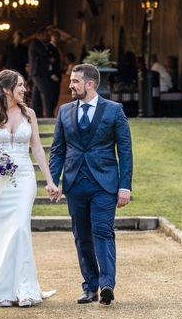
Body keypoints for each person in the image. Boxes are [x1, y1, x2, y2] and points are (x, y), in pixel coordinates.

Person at [0, 69, 59, 307]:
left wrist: (50, 181)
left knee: (20, 228)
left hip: (23, 177)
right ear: (7, 89)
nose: (24, 89)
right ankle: (3, 291)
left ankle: (24, 289)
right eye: (20, 85)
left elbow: (38, 149)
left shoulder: (29, 114)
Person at [49, 63, 133, 306]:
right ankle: (90, 286)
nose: (70, 85)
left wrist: (124, 186)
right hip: (75, 184)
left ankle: (107, 284)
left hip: (104, 184)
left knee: (103, 232)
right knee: (82, 236)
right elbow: (58, 150)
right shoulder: (64, 111)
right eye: (71, 81)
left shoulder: (114, 110)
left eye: (75, 81)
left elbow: (125, 151)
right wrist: (54, 181)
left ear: (90, 84)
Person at [28, 28, 53, 117]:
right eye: (45, 34)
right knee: (46, 93)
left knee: (36, 95)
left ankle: (34, 115)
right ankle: (49, 115)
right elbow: (44, 53)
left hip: (38, 72)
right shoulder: (35, 43)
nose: (47, 36)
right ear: (39, 35)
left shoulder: (39, 44)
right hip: (37, 72)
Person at [47, 30, 63, 116]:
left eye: (58, 36)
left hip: (58, 75)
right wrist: (52, 74)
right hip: (52, 76)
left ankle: (51, 113)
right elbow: (49, 62)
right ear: (51, 37)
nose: (56, 38)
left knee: (56, 96)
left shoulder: (57, 48)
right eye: (55, 36)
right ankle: (50, 114)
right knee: (52, 96)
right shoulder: (48, 47)